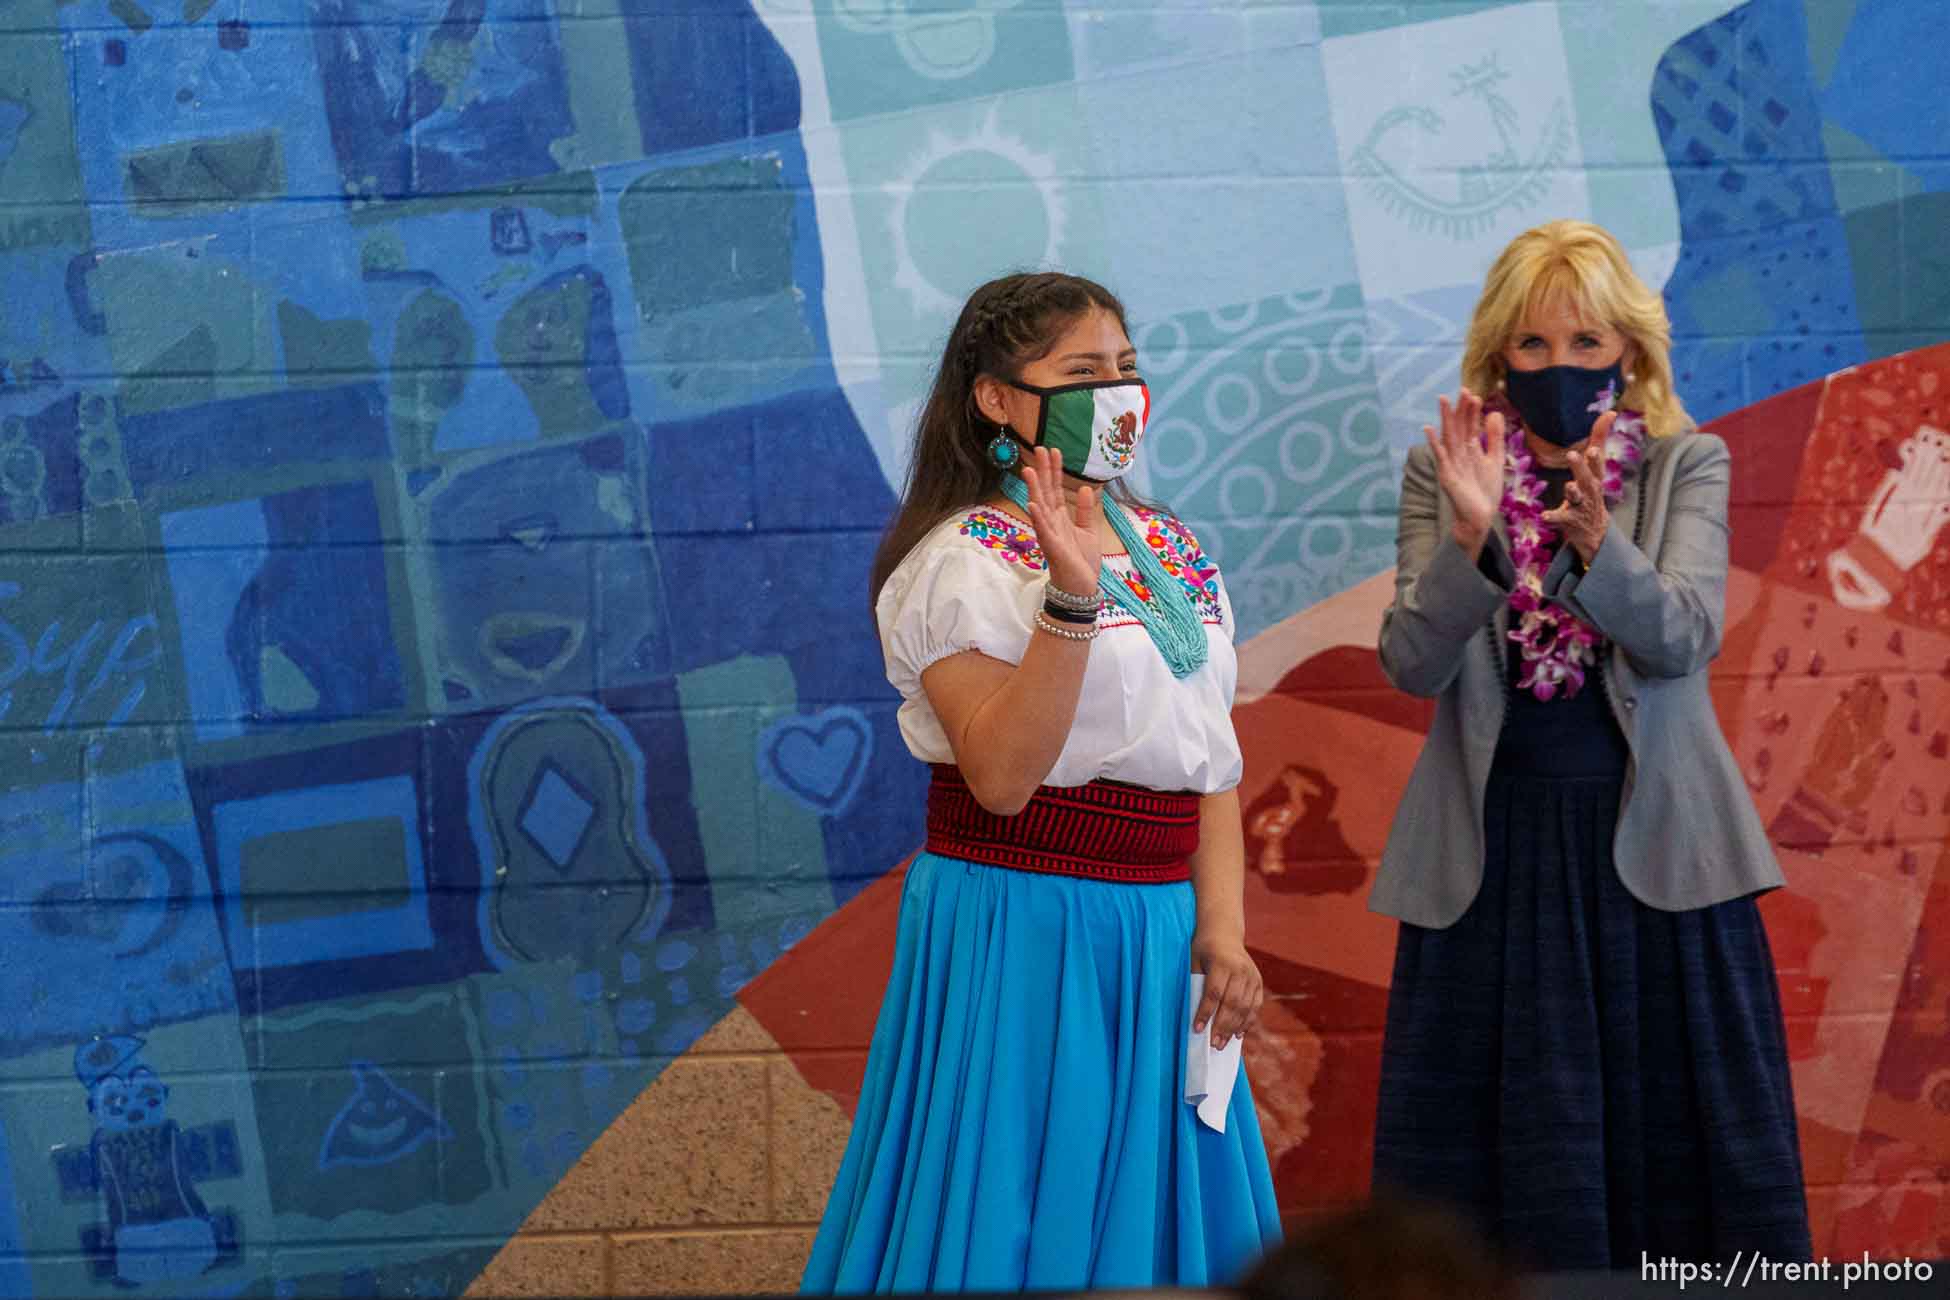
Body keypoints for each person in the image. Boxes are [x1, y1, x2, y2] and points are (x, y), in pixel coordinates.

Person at [801, 271, 1283, 1293]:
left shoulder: (1175, 551)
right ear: (997, 398)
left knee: (1154, 1212)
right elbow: (1005, 776)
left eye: (1127, 369)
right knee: (1012, 1203)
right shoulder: (959, 562)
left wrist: (1224, 933)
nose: (1117, 394)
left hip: (1157, 931)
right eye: (1082, 373)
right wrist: (1066, 597)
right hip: (1023, 920)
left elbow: (1213, 760)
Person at [1367, 220, 1812, 1270]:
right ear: (1497, 357)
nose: (1560, 368)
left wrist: (1597, 544)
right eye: (1532, 347)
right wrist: (1476, 539)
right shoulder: (1447, 473)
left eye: (1586, 343)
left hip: (1658, 855)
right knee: (1499, 1175)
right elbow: (1409, 663)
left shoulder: (1685, 463)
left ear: (1630, 350)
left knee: (1689, 1168)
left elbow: (1682, 639)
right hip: (1495, 859)